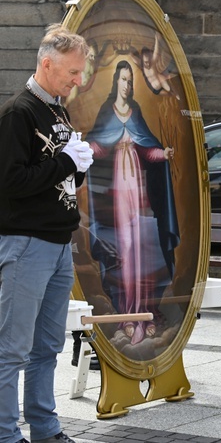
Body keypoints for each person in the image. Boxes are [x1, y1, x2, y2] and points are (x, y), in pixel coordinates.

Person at [0, 24, 94, 443]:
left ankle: (45, 427)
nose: (78, 80)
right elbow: (11, 182)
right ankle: (5, 433)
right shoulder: (18, 112)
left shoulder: (57, 109)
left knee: (48, 346)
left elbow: (62, 177)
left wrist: (80, 169)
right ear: (46, 63)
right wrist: (66, 164)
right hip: (25, 242)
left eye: (80, 72)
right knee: (12, 349)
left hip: (57, 243)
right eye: (72, 72)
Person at [85, 59, 180, 346]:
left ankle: (143, 313)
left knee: (140, 250)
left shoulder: (135, 112)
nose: (128, 85)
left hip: (138, 191)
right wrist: (85, 148)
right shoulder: (108, 111)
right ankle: (126, 314)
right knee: (124, 250)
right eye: (124, 79)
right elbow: (99, 147)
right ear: (116, 81)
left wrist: (162, 154)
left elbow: (147, 150)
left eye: (131, 80)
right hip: (117, 192)